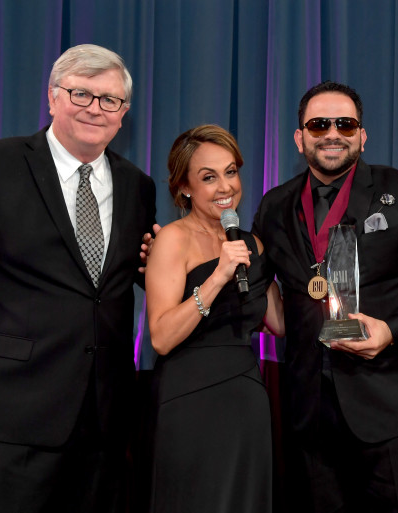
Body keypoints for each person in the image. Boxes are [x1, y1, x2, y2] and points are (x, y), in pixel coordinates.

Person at [0, 44, 157, 513]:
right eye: (81, 94)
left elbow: (123, 283)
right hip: (3, 415)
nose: (95, 108)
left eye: (110, 99)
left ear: (123, 115)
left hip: (102, 424)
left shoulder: (138, 185)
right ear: (53, 97)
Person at [253, 81, 398, 513]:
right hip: (309, 418)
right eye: (319, 125)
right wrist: (179, 254)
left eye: (345, 124)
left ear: (362, 135)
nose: (333, 133)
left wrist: (393, 330)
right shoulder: (275, 206)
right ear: (299, 138)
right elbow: (252, 279)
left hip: (394, 413)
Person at [146, 125, 284, 513]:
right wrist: (218, 276)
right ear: (184, 187)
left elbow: (279, 324)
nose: (225, 186)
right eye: (208, 177)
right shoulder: (173, 239)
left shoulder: (251, 243)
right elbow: (161, 337)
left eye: (231, 172)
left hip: (246, 399)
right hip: (189, 400)